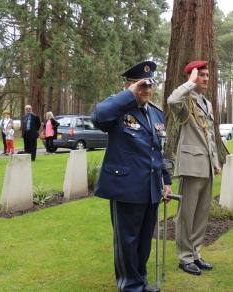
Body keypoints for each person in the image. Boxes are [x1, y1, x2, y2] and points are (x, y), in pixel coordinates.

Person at [92, 61, 172, 292]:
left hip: (150, 188)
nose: (147, 90)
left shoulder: (156, 114)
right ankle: (129, 286)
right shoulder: (118, 110)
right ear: (129, 85)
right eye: (141, 85)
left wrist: (165, 181)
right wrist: (128, 96)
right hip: (126, 187)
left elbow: (157, 151)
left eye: (150, 85)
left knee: (145, 240)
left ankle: (140, 280)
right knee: (127, 241)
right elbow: (98, 117)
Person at [167, 60, 221, 275]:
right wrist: (189, 83)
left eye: (207, 75)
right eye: (201, 75)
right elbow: (171, 100)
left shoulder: (206, 103)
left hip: (206, 164)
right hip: (191, 165)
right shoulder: (184, 101)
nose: (206, 78)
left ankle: (196, 253)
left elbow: (209, 136)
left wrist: (215, 161)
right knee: (186, 214)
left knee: (201, 213)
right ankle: (184, 257)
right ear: (191, 77)